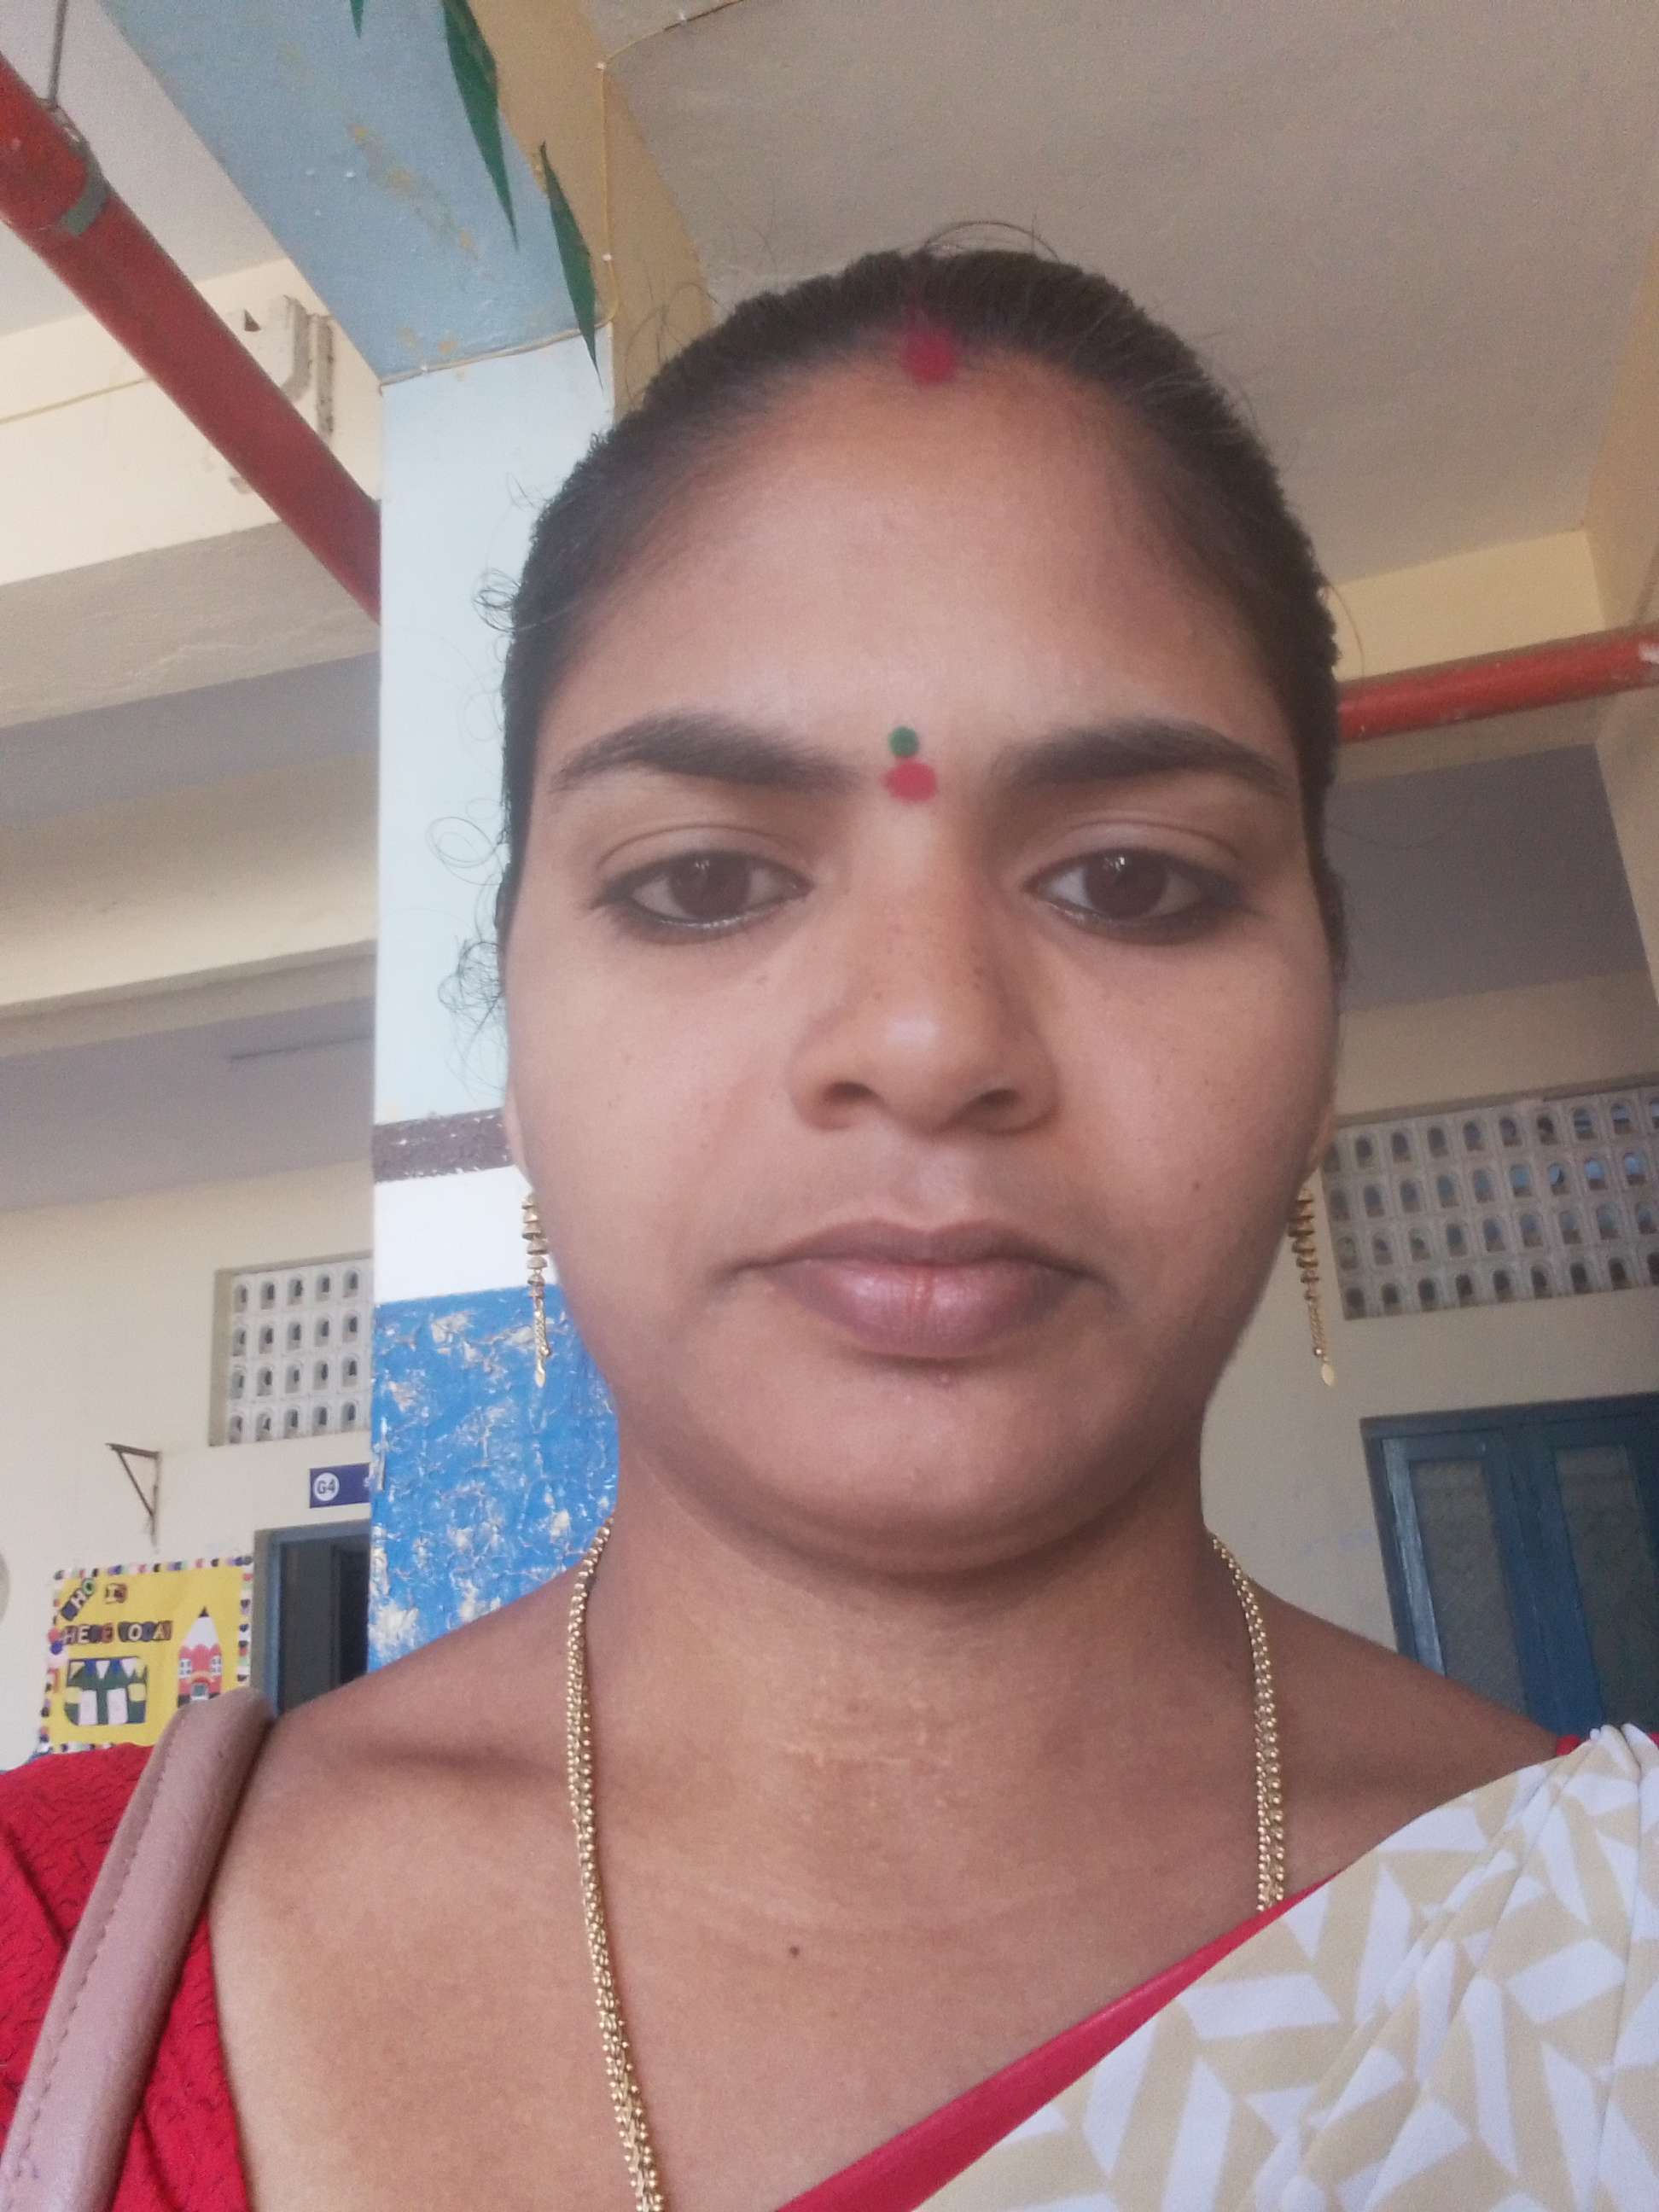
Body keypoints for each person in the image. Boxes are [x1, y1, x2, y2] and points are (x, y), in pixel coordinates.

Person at [3, 243, 1655, 2212]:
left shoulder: (1604, 1973)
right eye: (705, 880)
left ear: (1321, 1042)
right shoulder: (50, 1960)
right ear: (512, 1049)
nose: (931, 1041)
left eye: (1132, 880)